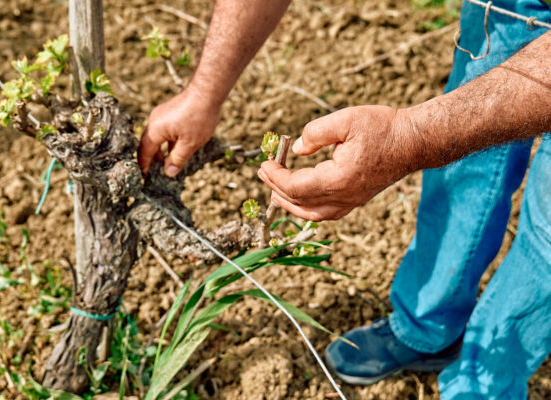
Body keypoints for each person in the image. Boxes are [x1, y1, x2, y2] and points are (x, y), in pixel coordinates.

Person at [138, 0, 551, 398]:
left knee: (546, 236)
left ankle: (485, 386)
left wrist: (410, 138)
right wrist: (204, 93)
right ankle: (427, 329)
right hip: (508, 5)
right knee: (463, 163)